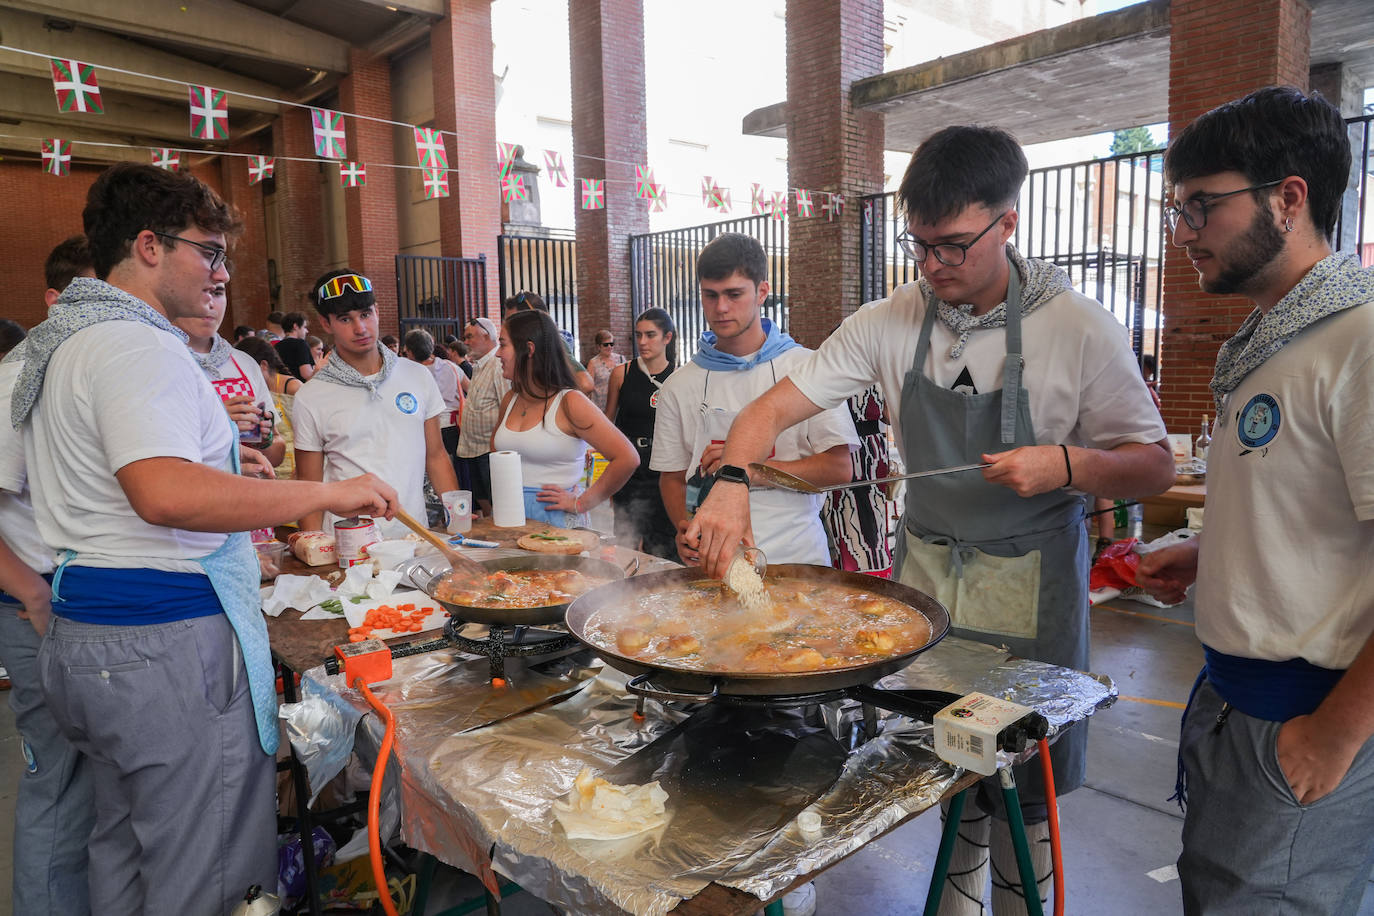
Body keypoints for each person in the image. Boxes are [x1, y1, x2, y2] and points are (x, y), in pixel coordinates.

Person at [689, 129, 1173, 914]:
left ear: (1007, 223)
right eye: (921, 246)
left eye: (954, 245)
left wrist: (1068, 465)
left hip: (1032, 590)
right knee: (939, 761)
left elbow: (1153, 462)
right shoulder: (889, 320)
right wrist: (734, 482)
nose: (935, 265)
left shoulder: (1077, 327)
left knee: (1024, 779)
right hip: (930, 590)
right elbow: (772, 408)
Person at [14, 162, 396, 915]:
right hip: (159, 643)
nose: (220, 272)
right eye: (210, 252)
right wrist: (326, 489)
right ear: (150, 246)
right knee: (207, 872)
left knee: (123, 851)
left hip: (91, 638)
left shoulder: (68, 343)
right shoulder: (135, 344)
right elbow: (162, 493)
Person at [1135, 87, 1374, 915]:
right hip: (1233, 707)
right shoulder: (1275, 343)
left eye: (1203, 204)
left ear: (1290, 196)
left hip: (1305, 719)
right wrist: (1211, 555)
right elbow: (1316, 512)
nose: (1186, 232)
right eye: (1178, 210)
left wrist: (1332, 740)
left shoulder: (1360, 341)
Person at [653, 232, 858, 567]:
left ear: (762, 291)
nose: (721, 308)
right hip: (715, 564)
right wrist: (684, 529)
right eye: (710, 295)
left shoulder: (807, 368)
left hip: (798, 559)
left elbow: (839, 468)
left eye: (734, 294)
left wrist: (751, 471)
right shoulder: (679, 385)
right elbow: (672, 476)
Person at [0, 235, 96, 916]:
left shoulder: (89, 374)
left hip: (96, 613)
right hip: (40, 611)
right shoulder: (17, 379)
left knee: (97, 787)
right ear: (56, 301)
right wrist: (31, 591)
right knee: (59, 786)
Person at [292, 270, 455, 534]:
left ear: (377, 311)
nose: (360, 328)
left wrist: (456, 519)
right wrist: (315, 549)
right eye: (345, 319)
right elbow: (310, 488)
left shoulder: (417, 376)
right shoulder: (311, 397)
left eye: (365, 314)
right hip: (348, 547)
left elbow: (436, 456)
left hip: (416, 541)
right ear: (325, 323)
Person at [492, 309, 637, 526]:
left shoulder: (570, 402)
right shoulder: (510, 399)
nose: (497, 353)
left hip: (555, 521)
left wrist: (581, 503)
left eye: (503, 344)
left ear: (529, 349)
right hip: (509, 516)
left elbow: (627, 458)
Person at [173, 279, 286, 468]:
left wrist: (264, 439)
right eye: (198, 291)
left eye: (217, 292)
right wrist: (219, 422)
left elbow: (276, 453)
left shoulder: (245, 363)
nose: (209, 303)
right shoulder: (163, 360)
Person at [604, 308, 678, 559]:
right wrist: (608, 477)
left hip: (664, 468)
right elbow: (607, 426)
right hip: (630, 467)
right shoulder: (622, 373)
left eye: (650, 335)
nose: (643, 342)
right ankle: (625, 593)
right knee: (626, 539)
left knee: (664, 542)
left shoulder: (679, 377)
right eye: (638, 335)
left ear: (667, 337)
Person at [820, 386, 894, 577]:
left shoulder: (806, 358)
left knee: (851, 540)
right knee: (866, 544)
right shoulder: (876, 358)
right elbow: (889, 414)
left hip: (831, 448)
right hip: (867, 451)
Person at [456, 316, 508, 515]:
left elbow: (507, 405)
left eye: (470, 337)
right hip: (475, 449)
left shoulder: (498, 364)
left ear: (487, 336)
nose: (466, 342)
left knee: (498, 505)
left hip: (490, 450)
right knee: (484, 502)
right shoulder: (480, 365)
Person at [504, 290, 596, 396]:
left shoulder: (549, 341)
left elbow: (585, 384)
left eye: (514, 322)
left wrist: (549, 403)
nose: (508, 327)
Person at [403, 328, 465, 485]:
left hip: (425, 431)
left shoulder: (408, 373)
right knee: (454, 474)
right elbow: (470, 389)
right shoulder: (451, 367)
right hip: (453, 427)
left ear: (409, 351)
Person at [236, 335, 301, 479]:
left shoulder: (293, 387)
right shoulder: (253, 393)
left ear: (263, 365)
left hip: (293, 462)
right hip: (269, 464)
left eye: (248, 370)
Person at [587, 328, 625, 412]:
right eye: (606, 344)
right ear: (598, 346)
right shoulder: (593, 363)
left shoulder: (621, 359)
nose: (609, 347)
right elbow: (589, 388)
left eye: (611, 344)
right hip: (600, 408)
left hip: (620, 406)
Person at [275, 310, 315, 380]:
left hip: (282, 387)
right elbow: (306, 374)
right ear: (295, 326)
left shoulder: (276, 346)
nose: (307, 331)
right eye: (304, 327)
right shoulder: (301, 344)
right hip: (300, 388)